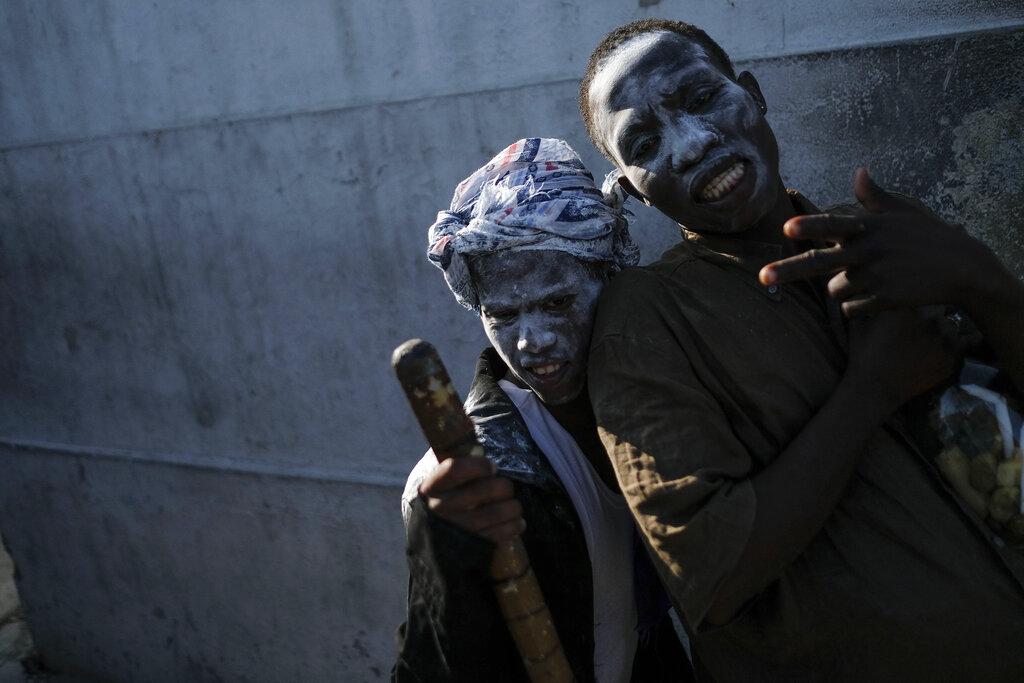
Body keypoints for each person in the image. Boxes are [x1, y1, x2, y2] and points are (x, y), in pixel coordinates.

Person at [578, 18, 1024, 680]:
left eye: (701, 99)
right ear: (632, 190)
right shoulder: (645, 318)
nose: (694, 143)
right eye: (644, 143)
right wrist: (871, 387)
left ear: (752, 94)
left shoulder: (878, 244)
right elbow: (708, 570)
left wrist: (982, 280)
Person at [391, 137, 688, 682]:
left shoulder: (666, 396)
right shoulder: (468, 481)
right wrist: (445, 557)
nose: (531, 343)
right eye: (503, 314)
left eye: (557, 302)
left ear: (609, 276)